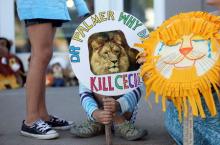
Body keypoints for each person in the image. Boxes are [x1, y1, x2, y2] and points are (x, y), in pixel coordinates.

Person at [16, 0, 90, 139]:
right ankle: (31, 120)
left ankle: (42, 115)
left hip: (53, 5)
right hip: (38, 5)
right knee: (40, 55)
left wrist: (81, 6)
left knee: (44, 55)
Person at [70, 83, 148, 141]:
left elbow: (138, 87)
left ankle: (119, 122)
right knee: (99, 80)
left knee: (126, 82)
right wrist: (94, 112)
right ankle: (97, 121)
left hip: (124, 113)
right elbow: (84, 92)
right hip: (97, 112)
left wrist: (119, 104)